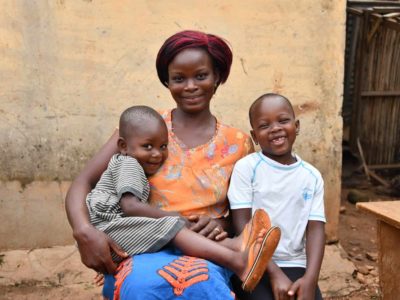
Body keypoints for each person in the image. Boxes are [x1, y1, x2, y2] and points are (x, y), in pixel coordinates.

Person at [65, 30, 256, 299]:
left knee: (200, 283)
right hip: (142, 248)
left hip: (207, 249)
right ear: (167, 81)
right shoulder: (145, 127)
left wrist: (220, 225)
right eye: (179, 78)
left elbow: (241, 217)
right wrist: (83, 231)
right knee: (142, 286)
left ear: (217, 78)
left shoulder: (238, 143)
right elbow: (82, 182)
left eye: (201, 75)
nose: (190, 86)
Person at [86, 104, 281, 292]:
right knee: (171, 227)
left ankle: (234, 246)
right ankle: (237, 261)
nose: (157, 154)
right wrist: (177, 218)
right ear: (123, 146)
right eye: (147, 146)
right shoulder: (128, 165)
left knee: (171, 229)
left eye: (163, 146)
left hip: (118, 231)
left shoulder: (132, 162)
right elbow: (130, 206)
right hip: (110, 232)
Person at [228, 93, 326, 300]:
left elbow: (316, 229)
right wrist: (275, 275)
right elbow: (242, 225)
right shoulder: (247, 168)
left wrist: (310, 279)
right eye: (264, 126)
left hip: (295, 263)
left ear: (296, 126)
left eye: (283, 121)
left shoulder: (312, 176)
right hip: (252, 261)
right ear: (254, 136)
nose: (275, 128)